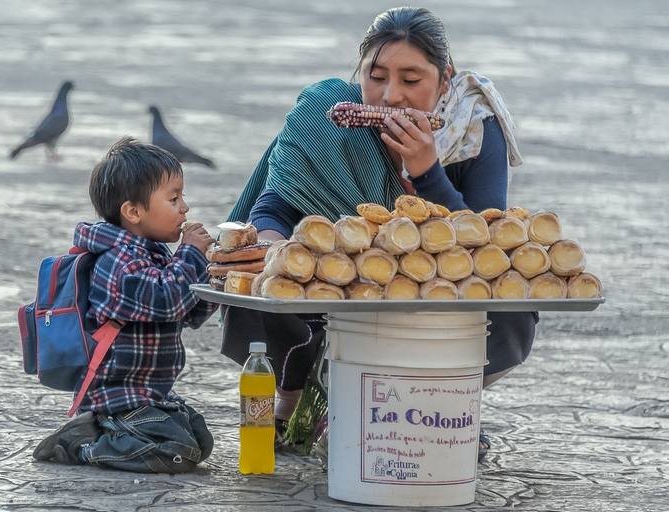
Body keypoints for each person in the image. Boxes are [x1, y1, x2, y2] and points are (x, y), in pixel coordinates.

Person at [220, 6, 537, 461]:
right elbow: (274, 205)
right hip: (344, 288)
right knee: (262, 283)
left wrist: (427, 171)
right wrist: (275, 249)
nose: (390, 96)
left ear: (444, 79)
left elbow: (487, 246)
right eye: (376, 76)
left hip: (433, 296)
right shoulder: (324, 117)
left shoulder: (473, 133)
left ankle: (437, 402)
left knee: (511, 309)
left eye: (411, 80)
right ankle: (287, 404)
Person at [33, 137, 217, 473]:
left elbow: (189, 311)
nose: (185, 208)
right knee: (177, 452)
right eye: (174, 198)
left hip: (152, 392)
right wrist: (191, 253)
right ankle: (84, 446)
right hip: (121, 394)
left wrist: (219, 275)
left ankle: (102, 432)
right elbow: (167, 301)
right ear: (133, 211)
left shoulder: (152, 251)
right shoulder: (119, 262)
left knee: (200, 442)